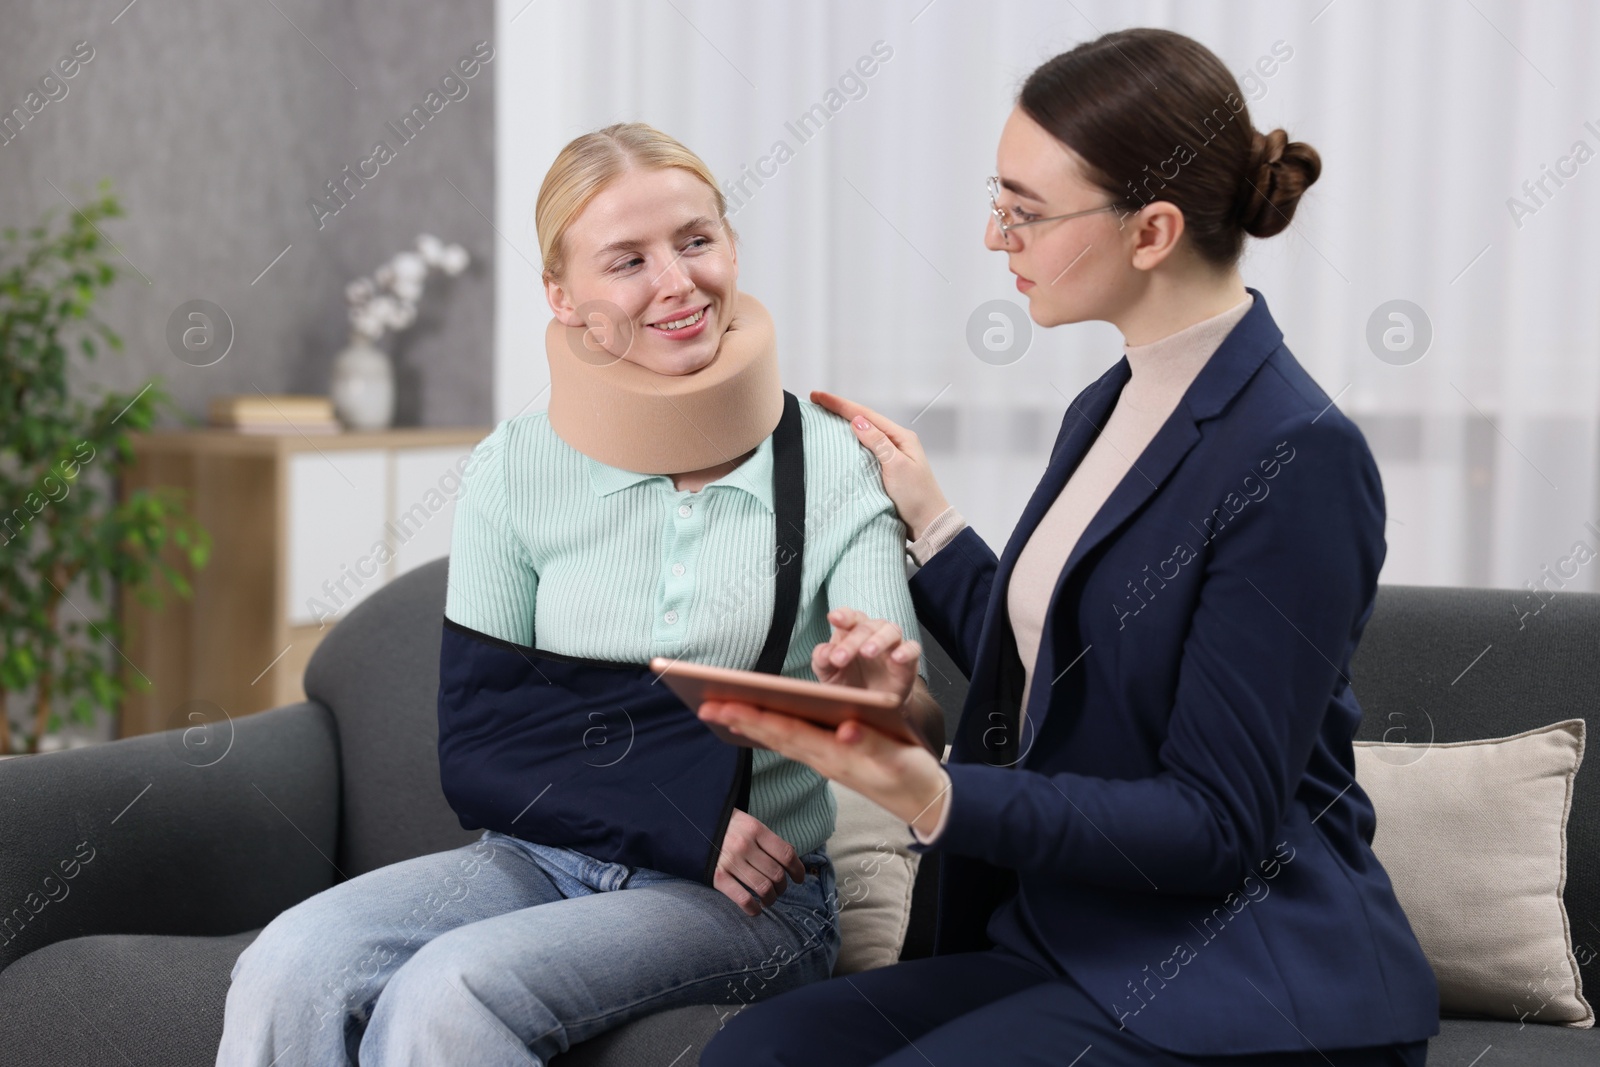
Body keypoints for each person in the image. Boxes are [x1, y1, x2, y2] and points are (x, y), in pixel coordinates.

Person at [698, 28, 1440, 1067]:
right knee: (756, 1053)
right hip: (1075, 939)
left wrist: (929, 789)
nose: (997, 238)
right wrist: (929, 518)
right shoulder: (1113, 399)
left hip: (1233, 974)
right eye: (997, 201)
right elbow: (1083, 646)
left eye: (1025, 211)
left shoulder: (1298, 457)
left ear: (1152, 232)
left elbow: (1214, 823)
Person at [214, 122, 943, 1067]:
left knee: (449, 992)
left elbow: (913, 727)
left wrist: (883, 694)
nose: (677, 281)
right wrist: (682, 813)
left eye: (695, 240)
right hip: (535, 857)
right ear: (563, 297)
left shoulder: (830, 462)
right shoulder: (514, 465)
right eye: (627, 260)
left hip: (754, 900)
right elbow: (479, 746)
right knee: (289, 959)